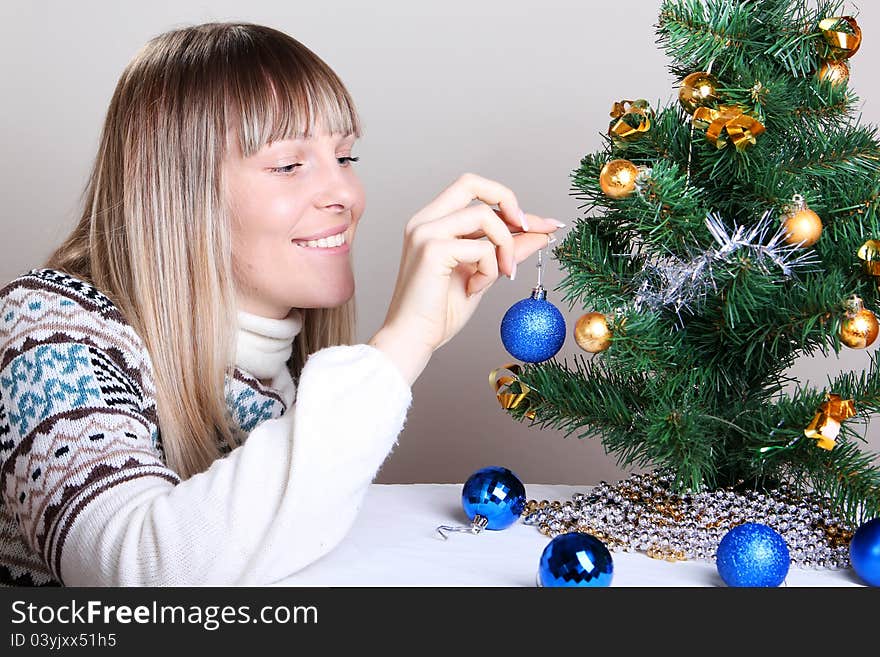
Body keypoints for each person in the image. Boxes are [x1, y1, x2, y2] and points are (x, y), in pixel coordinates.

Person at [0, 22, 562, 586]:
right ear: (176, 192)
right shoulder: (42, 326)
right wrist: (403, 342)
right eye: (288, 165)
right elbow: (136, 577)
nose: (345, 194)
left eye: (345, 157)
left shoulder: (281, 361)